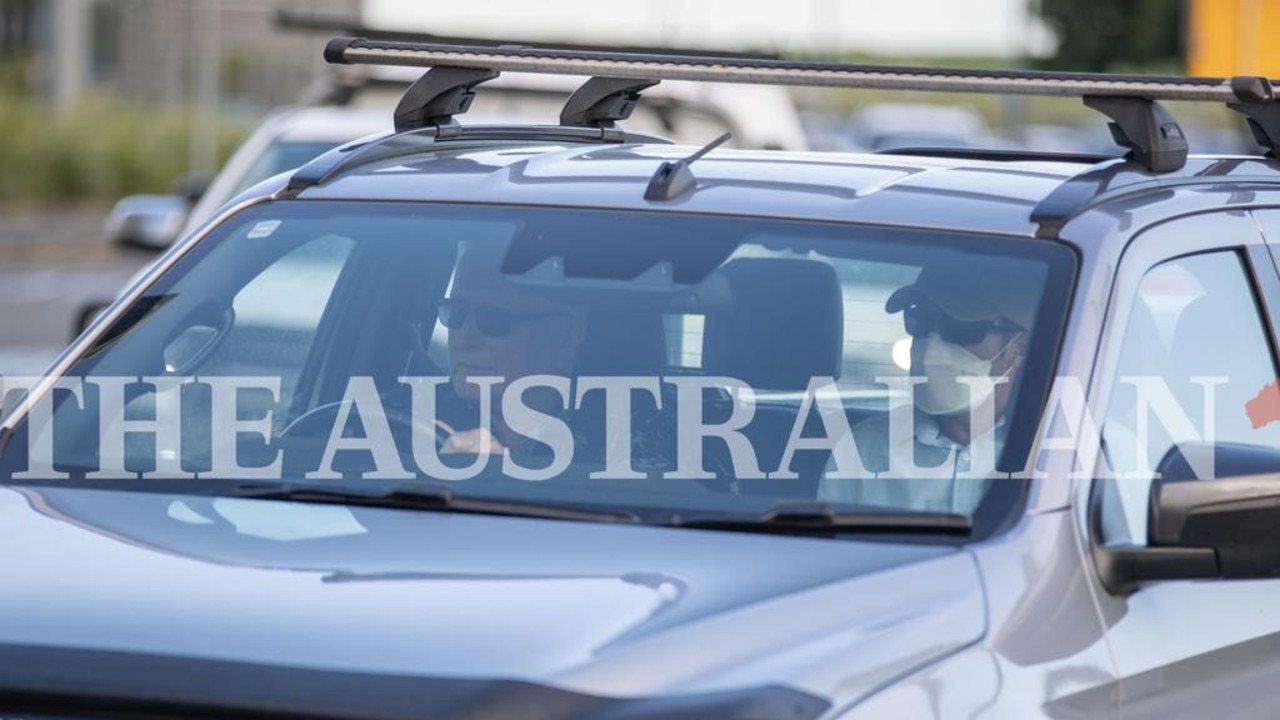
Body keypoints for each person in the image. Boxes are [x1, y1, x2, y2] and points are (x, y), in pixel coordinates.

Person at [430, 243, 679, 477]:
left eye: (494, 320)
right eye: (455, 313)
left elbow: (632, 516)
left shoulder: (637, 435)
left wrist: (499, 476)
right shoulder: (415, 412)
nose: (464, 339)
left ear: (566, 340)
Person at [818, 260, 1040, 514]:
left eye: (959, 328)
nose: (930, 346)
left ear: (1018, 348)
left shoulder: (1059, 453)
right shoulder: (864, 449)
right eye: (920, 321)